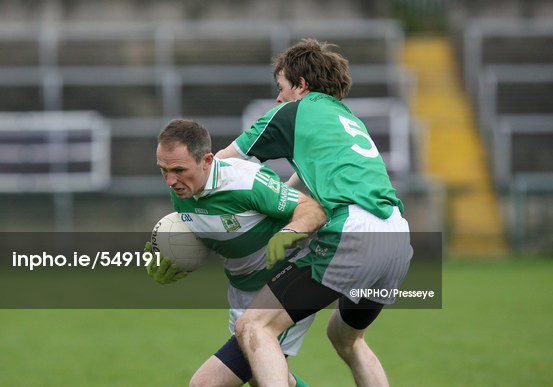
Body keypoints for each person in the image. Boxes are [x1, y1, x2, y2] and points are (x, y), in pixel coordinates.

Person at [215, 38, 413, 386]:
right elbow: (302, 186)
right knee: (347, 338)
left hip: (353, 232)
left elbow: (216, 169)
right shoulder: (344, 119)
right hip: (396, 236)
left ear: (300, 85)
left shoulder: (292, 113)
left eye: (281, 87)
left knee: (255, 325)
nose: (278, 97)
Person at [145, 118, 327, 386]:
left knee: (205, 384)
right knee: (264, 377)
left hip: (283, 286)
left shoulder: (246, 182)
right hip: (242, 294)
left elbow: (312, 210)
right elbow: (213, 234)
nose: (171, 180)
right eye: (163, 170)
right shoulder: (182, 191)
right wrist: (172, 257)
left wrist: (288, 233)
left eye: (179, 170)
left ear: (207, 160)